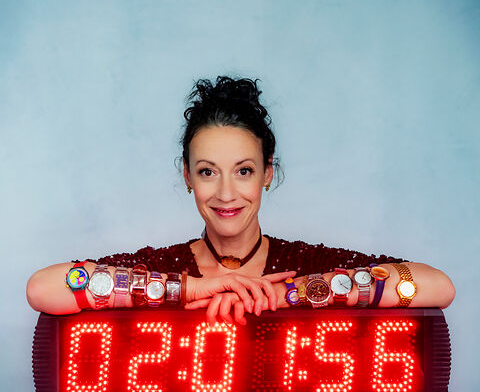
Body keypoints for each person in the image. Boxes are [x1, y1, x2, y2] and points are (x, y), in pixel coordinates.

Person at [26, 76, 456, 326]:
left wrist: (288, 294)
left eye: (244, 171)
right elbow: (43, 288)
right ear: (187, 177)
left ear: (267, 173)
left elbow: (438, 285)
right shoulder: (160, 267)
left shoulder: (308, 265)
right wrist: (189, 288)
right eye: (207, 171)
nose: (226, 193)